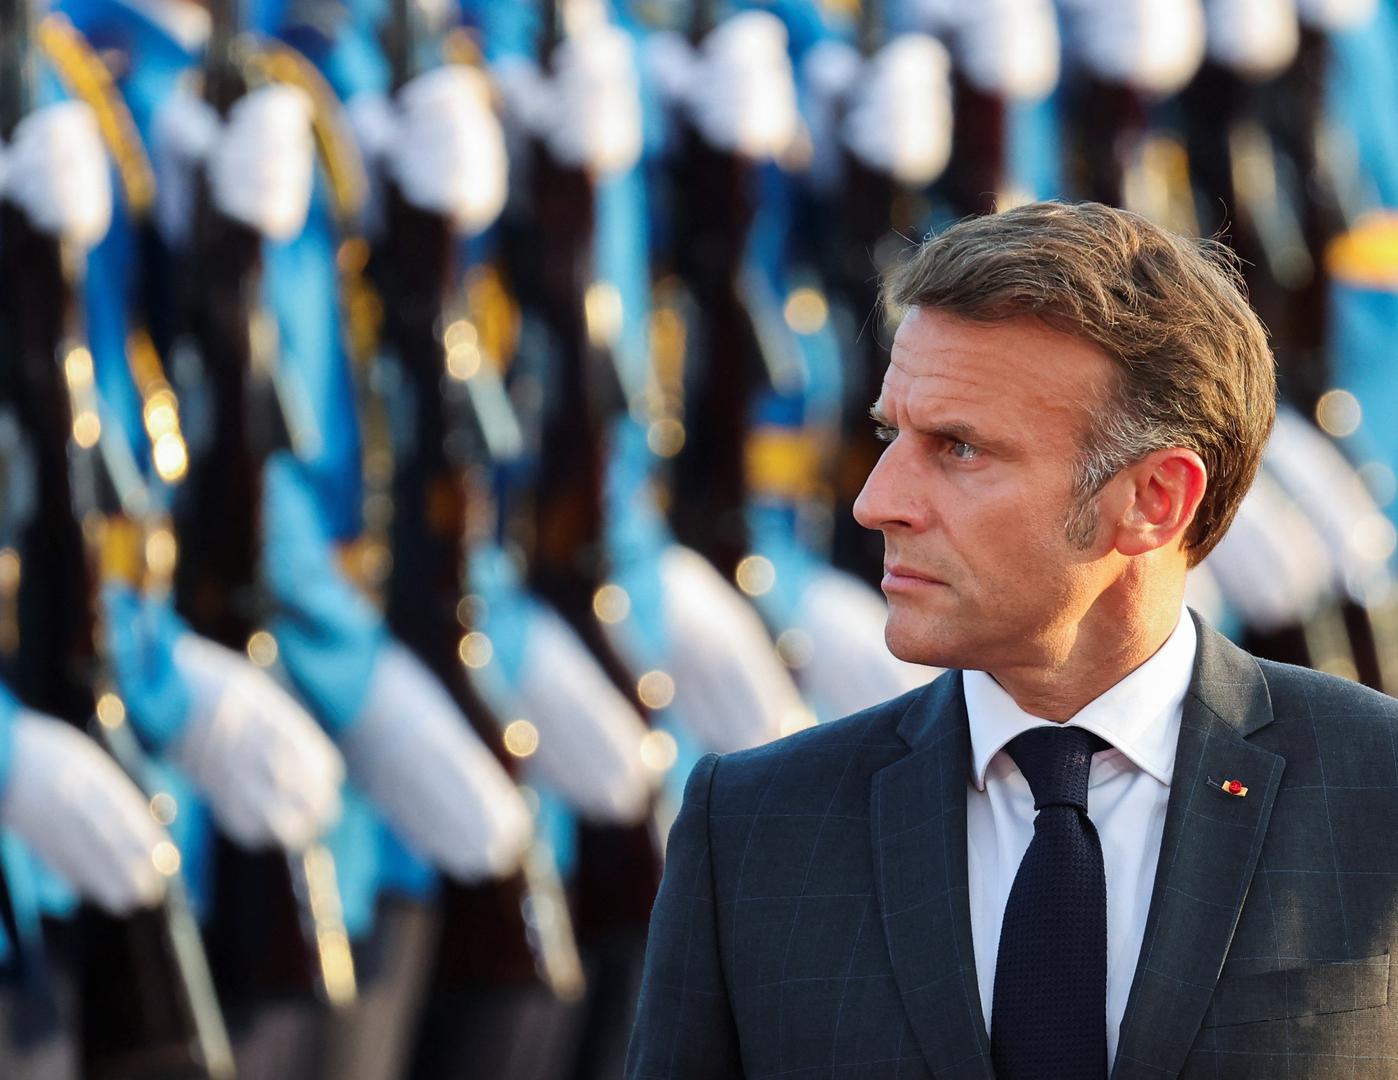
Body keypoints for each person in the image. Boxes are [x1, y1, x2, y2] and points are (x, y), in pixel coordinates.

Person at [623, 200, 1398, 1079]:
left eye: (957, 448)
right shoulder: (755, 827)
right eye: (890, 434)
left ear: (1155, 500)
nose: (877, 501)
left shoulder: (1377, 790)